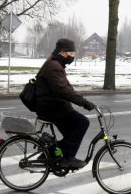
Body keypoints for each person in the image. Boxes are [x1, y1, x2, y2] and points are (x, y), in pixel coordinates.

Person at [34, 38, 96, 169]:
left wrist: (80, 98)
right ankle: (68, 158)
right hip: (52, 108)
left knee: (71, 134)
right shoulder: (54, 67)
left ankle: (50, 153)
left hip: (51, 106)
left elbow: (66, 88)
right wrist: (84, 103)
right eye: (71, 54)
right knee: (82, 122)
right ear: (63, 52)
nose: (72, 57)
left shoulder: (55, 64)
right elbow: (63, 91)